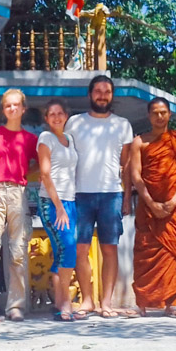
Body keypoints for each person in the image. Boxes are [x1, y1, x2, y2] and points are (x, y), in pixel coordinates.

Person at [66, 75, 133, 319]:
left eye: (107, 91)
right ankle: (87, 301)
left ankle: (107, 303)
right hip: (79, 194)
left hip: (112, 194)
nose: (102, 95)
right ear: (90, 94)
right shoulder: (74, 123)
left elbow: (125, 165)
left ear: (112, 95)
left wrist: (127, 198)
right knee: (80, 250)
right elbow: (65, 159)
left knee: (110, 249)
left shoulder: (123, 125)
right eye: (98, 91)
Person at [0, 88, 39, 321]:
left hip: (18, 194)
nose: (12, 109)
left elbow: (41, 164)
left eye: (16, 105)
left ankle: (16, 305)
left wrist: (23, 172)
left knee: (18, 252)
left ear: (23, 108)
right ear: (3, 109)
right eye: (7, 105)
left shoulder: (30, 139)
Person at [129, 97, 176, 318]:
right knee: (144, 253)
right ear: (149, 116)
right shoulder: (139, 142)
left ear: (169, 115)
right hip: (148, 208)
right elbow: (136, 176)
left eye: (163, 112)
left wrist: (173, 201)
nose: (159, 116)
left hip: (175, 207)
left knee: (173, 253)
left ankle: (173, 303)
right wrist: (151, 202)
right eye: (155, 113)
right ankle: (141, 304)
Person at [36, 98, 83, 321]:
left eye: (60, 113)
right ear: (46, 118)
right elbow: (45, 174)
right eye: (51, 114)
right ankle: (66, 303)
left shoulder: (70, 140)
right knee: (69, 249)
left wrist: (68, 206)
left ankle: (58, 304)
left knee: (61, 252)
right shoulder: (46, 138)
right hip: (52, 203)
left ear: (66, 116)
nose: (56, 117)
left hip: (70, 201)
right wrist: (59, 208)